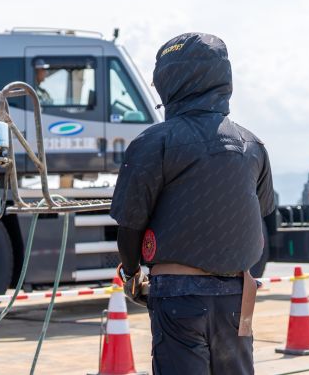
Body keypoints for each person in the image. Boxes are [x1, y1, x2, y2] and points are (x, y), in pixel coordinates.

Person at [110, 32, 275, 375]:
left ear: (168, 81)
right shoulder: (252, 145)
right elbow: (263, 215)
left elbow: (130, 224)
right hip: (237, 296)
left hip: (177, 296)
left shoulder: (153, 142)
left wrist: (131, 274)